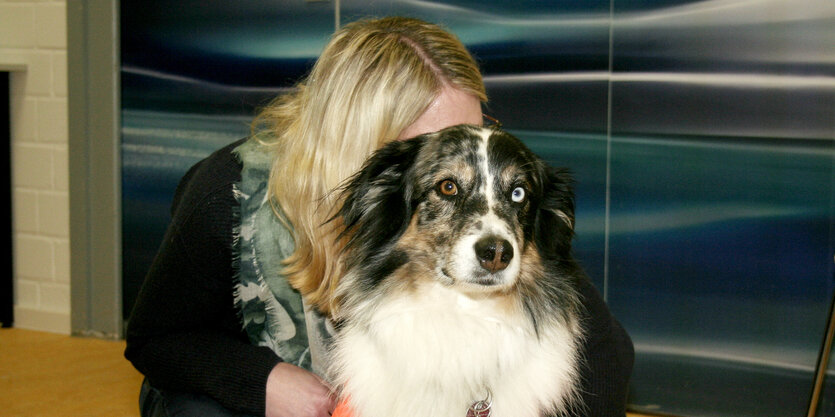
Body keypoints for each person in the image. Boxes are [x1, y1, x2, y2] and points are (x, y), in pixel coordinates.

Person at [124, 16, 634, 417]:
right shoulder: (229, 192)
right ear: (361, 140)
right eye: (447, 170)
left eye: (477, 130)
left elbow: (605, 355)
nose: (473, 152)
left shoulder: (491, 211)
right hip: (238, 393)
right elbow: (156, 338)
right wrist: (262, 383)